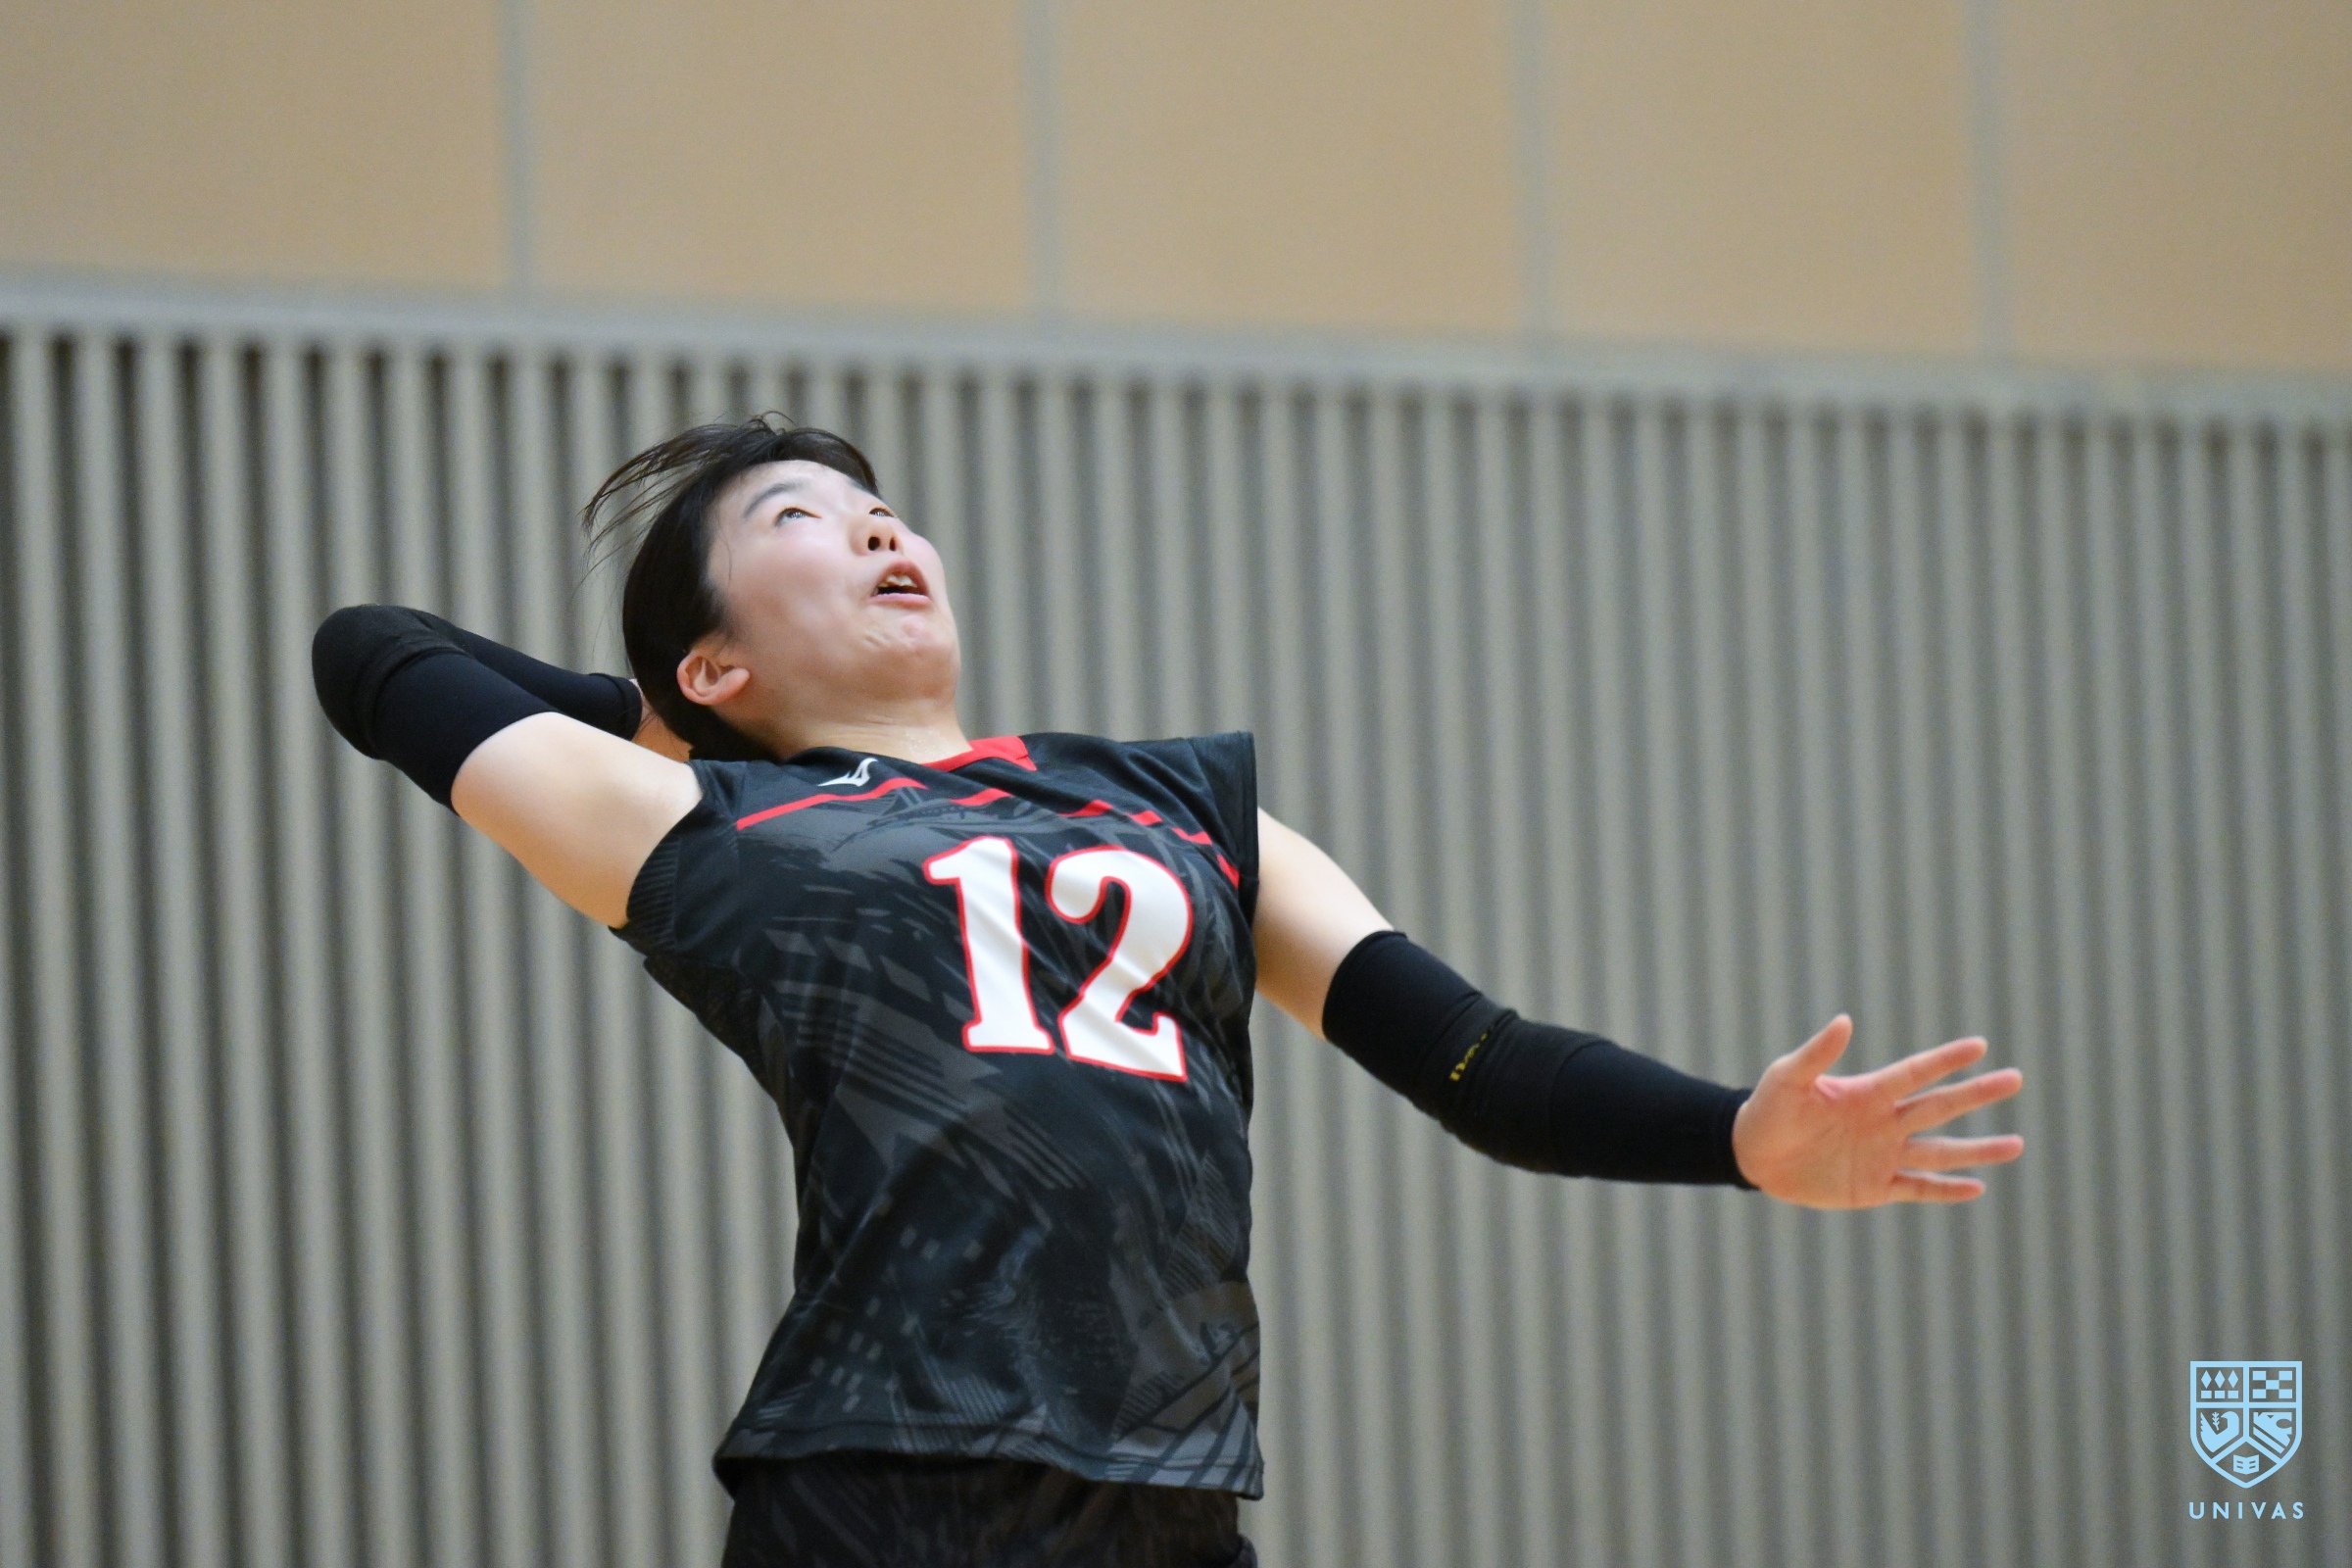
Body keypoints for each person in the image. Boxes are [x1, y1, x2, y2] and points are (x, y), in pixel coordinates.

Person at [311, 416, 2025, 1567]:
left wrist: (1737, 1138)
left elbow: (1479, 1062)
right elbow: (372, 647)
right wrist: (681, 728)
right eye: (797, 521)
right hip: (880, 1485)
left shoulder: (1178, 806)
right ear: (716, 658)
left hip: (1167, 1500)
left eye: (879, 505)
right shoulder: (703, 828)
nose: (879, 526)